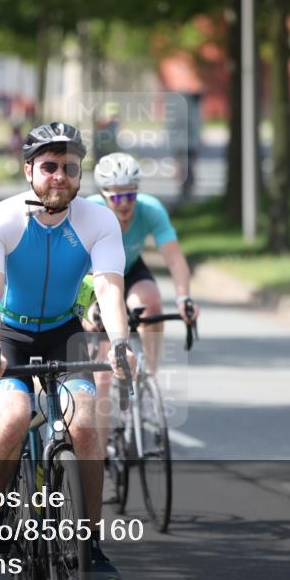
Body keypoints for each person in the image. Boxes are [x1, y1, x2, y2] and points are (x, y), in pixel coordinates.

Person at [0, 122, 132, 580]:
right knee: (13, 415)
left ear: (81, 175)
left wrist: (120, 343)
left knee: (84, 425)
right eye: (49, 166)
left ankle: (90, 542)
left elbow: (108, 286)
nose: (60, 176)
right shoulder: (0, 220)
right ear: (29, 170)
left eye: (70, 167)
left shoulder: (97, 221)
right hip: (10, 333)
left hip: (65, 331)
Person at [85, 152, 199, 405]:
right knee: (101, 367)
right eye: (116, 196)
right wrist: (86, 307)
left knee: (150, 302)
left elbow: (175, 259)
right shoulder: (89, 212)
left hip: (130, 270)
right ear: (104, 195)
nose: (124, 203)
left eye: (130, 195)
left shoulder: (150, 209)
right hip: (95, 277)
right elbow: (74, 266)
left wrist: (184, 297)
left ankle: (147, 377)